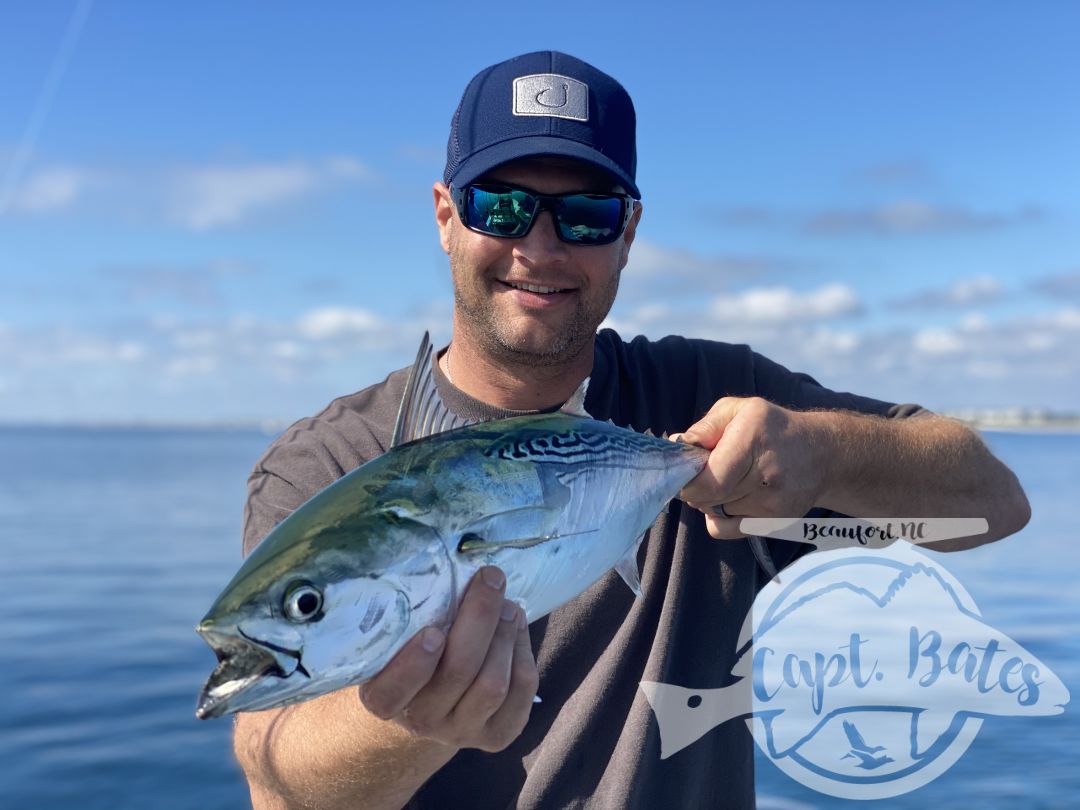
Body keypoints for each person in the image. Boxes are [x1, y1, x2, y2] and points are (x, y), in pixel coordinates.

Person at [231, 51, 1030, 809]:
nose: (539, 248)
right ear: (446, 216)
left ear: (630, 233)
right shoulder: (327, 462)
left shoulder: (709, 395)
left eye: (586, 215)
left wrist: (823, 454)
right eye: (499, 206)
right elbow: (276, 786)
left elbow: (994, 505)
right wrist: (405, 718)